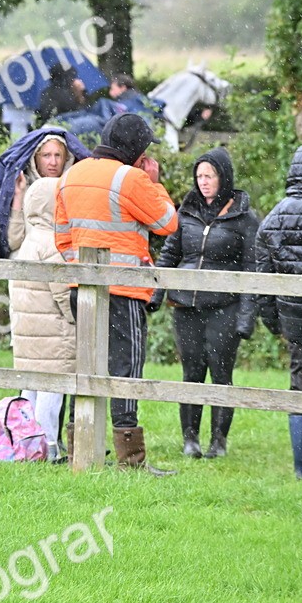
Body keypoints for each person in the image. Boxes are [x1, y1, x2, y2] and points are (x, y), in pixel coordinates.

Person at [55, 113, 178, 473]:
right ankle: (131, 458)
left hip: (84, 288)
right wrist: (154, 182)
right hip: (125, 291)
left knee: (87, 364)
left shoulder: (71, 174)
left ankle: (80, 449)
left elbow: (61, 238)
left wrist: (83, 269)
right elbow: (167, 222)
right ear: (135, 150)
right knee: (127, 369)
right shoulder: (132, 178)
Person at [150, 148, 260, 459]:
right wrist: (156, 295)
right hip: (186, 306)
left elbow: (252, 269)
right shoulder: (185, 213)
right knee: (191, 371)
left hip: (225, 306)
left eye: (209, 176)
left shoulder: (245, 218)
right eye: (199, 176)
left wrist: (245, 318)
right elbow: (170, 255)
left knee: (221, 373)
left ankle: (218, 441)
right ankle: (190, 439)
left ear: (223, 177)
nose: (204, 182)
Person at [256, 144, 302, 480]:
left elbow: (263, 283)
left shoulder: (274, 217)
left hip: (296, 323)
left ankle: (300, 468)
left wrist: (276, 323)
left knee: (299, 387)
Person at [9, 176, 75, 461]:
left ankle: (26, 445)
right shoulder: (53, 244)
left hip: (28, 333)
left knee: (31, 390)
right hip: (52, 333)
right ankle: (48, 447)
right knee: (52, 391)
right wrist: (77, 319)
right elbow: (62, 293)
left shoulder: (29, 240)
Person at [0, 126, 90, 259]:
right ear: (35, 158)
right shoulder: (24, 187)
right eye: (46, 155)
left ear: (66, 158)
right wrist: (19, 195)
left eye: (58, 155)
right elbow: (13, 242)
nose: (53, 162)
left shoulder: (73, 188)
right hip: (29, 261)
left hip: (65, 263)